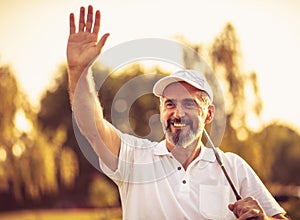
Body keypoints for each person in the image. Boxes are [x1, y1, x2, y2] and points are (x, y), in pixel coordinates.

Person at [67, 5, 289, 220]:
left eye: (189, 104)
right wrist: (79, 71)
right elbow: (93, 128)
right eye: (170, 104)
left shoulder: (233, 167)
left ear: (208, 114)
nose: (178, 113)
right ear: (161, 110)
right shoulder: (135, 157)